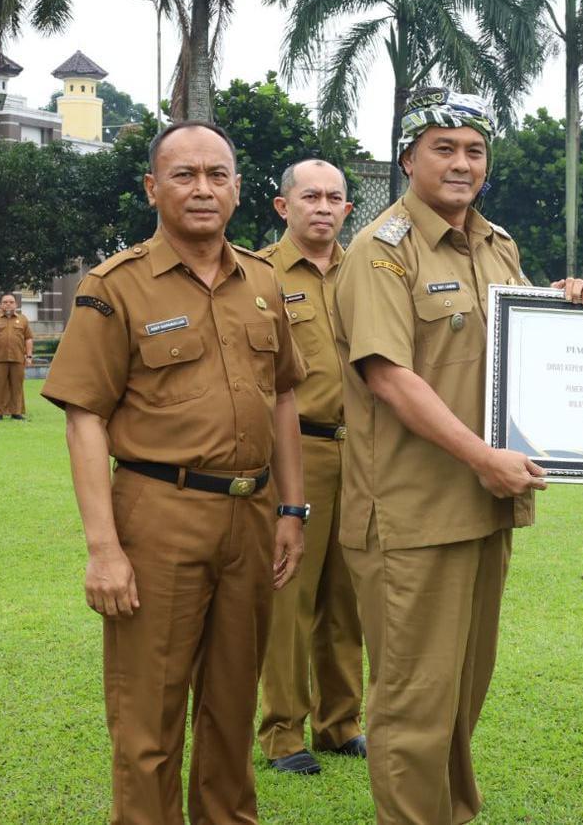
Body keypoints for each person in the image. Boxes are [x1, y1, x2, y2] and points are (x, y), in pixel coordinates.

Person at [335, 88, 583, 825]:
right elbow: (388, 376)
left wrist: (569, 304)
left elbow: (523, 350)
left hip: (484, 505)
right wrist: (482, 455)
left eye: (474, 151)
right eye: (443, 148)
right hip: (413, 513)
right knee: (414, 701)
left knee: (460, 694)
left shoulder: (496, 245)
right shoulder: (382, 251)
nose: (461, 163)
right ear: (408, 159)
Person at [41, 120, 309, 825]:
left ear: (238, 189)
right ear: (152, 187)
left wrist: (292, 509)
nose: (202, 189)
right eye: (184, 175)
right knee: (148, 718)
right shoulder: (117, 286)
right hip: (160, 514)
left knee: (232, 709)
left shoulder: (264, 281)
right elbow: (84, 418)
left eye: (217, 175)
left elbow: (284, 395)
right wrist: (104, 550)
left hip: (251, 515)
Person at [256, 158, 367, 775]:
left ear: (348, 209)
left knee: (349, 597)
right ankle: (283, 733)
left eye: (334, 198)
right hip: (297, 450)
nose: (323, 207)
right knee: (290, 596)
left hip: (367, 452)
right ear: (283, 206)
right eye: (310, 197)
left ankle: (340, 723)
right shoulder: (258, 273)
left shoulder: (371, 271)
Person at [0, 292, 34, 420]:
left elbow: (28, 338)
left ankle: (16, 412)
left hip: (18, 358)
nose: (8, 304)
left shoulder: (23, 319)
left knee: (17, 386)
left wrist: (29, 356)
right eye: (5, 302)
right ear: (0, 305)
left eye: (11, 302)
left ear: (16, 304)